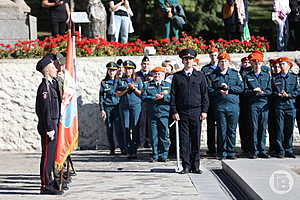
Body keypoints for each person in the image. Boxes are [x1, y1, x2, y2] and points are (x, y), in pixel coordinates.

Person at [170, 49, 209, 174]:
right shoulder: (177, 77)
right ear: (182, 61)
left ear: (194, 61)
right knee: (184, 140)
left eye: (190, 59)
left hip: (196, 111)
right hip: (182, 112)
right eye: (186, 59)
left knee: (196, 139)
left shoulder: (200, 76)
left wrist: (204, 110)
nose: (188, 61)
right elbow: (173, 96)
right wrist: (174, 111)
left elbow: (205, 95)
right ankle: (186, 165)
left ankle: (196, 165)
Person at [35, 55, 63, 195]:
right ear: (46, 70)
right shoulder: (44, 88)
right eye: (52, 67)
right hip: (49, 126)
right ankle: (45, 185)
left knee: (51, 156)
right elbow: (44, 110)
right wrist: (49, 128)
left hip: (53, 122)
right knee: (47, 156)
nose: (55, 68)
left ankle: (50, 182)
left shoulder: (52, 84)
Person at [208, 52, 244, 160]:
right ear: (218, 63)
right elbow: (209, 90)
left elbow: (241, 88)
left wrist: (229, 89)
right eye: (221, 61)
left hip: (233, 105)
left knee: (232, 129)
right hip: (220, 106)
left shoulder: (235, 74)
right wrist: (219, 90)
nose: (223, 63)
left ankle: (230, 151)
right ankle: (222, 151)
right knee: (221, 129)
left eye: (225, 61)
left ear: (229, 62)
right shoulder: (212, 75)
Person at [244, 53, 272, 159]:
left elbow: (270, 90)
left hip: (264, 104)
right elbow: (245, 91)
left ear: (261, 64)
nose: (256, 65)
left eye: (258, 63)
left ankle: (262, 150)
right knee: (253, 128)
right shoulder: (248, 76)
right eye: (254, 63)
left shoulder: (266, 75)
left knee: (263, 128)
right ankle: (254, 150)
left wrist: (263, 92)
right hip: (253, 104)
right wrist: (253, 91)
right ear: (251, 64)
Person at [272, 57, 300, 158]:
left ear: (289, 65)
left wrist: (288, 95)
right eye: (280, 64)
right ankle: (280, 150)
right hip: (280, 106)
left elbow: (298, 91)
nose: (281, 66)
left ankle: (288, 149)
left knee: (289, 129)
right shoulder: (275, 78)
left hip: (290, 106)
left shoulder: (294, 77)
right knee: (279, 129)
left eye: (283, 64)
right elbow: (272, 91)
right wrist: (278, 94)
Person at [142, 66, 171, 162]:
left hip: (164, 113)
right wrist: (153, 97)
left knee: (164, 135)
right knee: (153, 135)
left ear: (163, 75)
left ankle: (164, 155)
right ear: (152, 75)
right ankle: (155, 154)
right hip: (152, 113)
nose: (157, 76)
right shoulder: (147, 85)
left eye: (159, 74)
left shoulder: (168, 85)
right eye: (155, 74)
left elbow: (172, 97)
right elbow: (143, 96)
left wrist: (163, 98)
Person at [116, 60, 143, 159]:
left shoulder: (138, 80)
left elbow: (141, 93)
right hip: (124, 106)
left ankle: (134, 149)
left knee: (135, 127)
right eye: (126, 69)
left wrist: (134, 89)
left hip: (136, 106)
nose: (128, 71)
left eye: (130, 69)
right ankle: (128, 149)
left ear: (133, 70)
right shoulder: (120, 80)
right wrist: (127, 89)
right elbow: (117, 94)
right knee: (126, 128)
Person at [99, 62, 124, 155]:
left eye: (113, 70)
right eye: (110, 70)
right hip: (108, 107)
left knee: (119, 129)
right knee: (109, 128)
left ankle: (122, 148)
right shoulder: (104, 82)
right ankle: (112, 148)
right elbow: (101, 96)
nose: (112, 72)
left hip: (117, 107)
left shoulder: (120, 81)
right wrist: (101, 109)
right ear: (107, 71)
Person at [201, 48, 219, 157]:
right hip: (210, 99)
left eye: (215, 55)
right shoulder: (205, 69)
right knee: (210, 125)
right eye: (211, 55)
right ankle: (211, 147)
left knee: (221, 125)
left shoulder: (221, 67)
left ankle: (221, 147)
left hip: (220, 100)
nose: (213, 57)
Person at [136, 56, 153, 148]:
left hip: (149, 101)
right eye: (144, 64)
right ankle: (141, 141)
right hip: (139, 101)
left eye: (147, 64)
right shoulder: (137, 75)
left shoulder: (152, 74)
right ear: (141, 65)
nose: (145, 66)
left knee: (149, 122)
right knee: (140, 122)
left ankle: (149, 141)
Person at [238, 56, 252, 155]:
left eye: (247, 62)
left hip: (250, 102)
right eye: (244, 62)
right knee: (242, 126)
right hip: (241, 102)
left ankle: (251, 146)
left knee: (251, 126)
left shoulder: (252, 74)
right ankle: (245, 146)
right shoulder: (239, 74)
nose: (246, 64)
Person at [268, 58, 280, 156]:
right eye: (272, 67)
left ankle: (279, 147)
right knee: (271, 128)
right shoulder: (269, 77)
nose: (274, 69)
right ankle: (272, 147)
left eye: (276, 67)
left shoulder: (280, 77)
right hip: (269, 106)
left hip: (279, 105)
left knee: (279, 128)